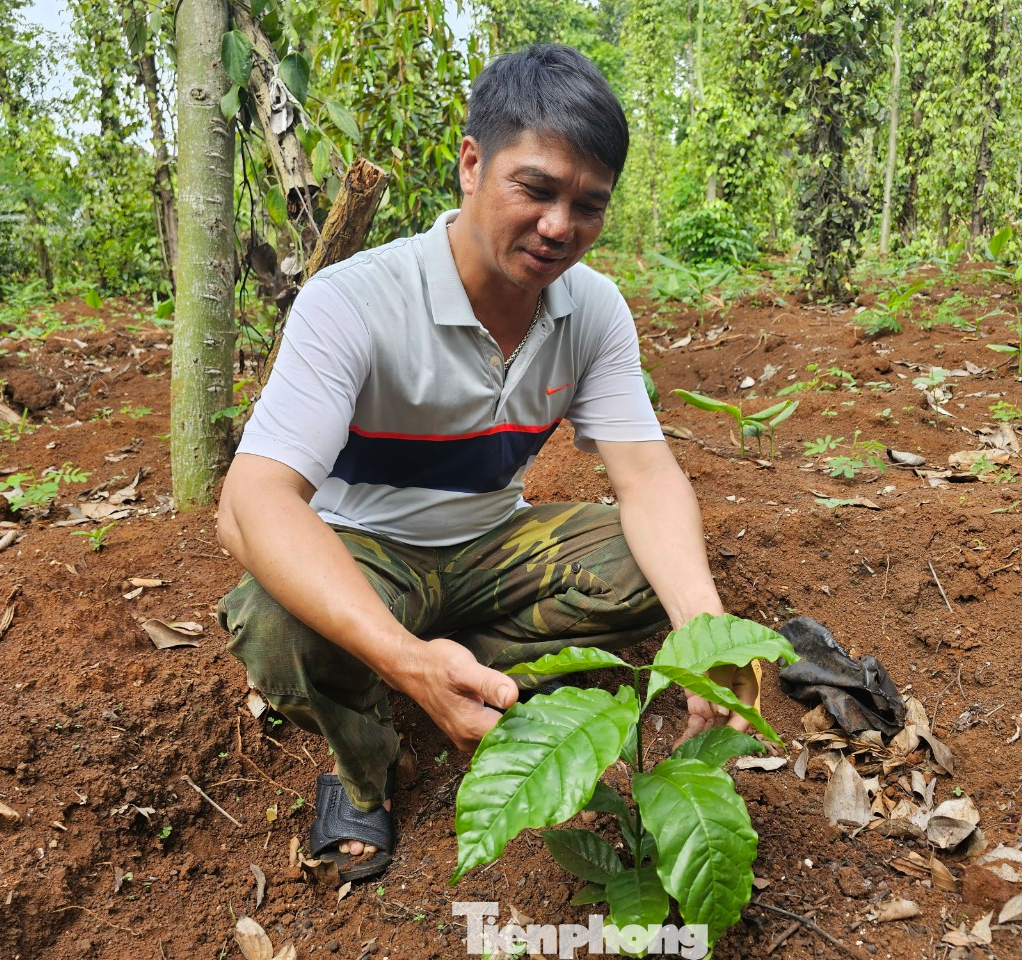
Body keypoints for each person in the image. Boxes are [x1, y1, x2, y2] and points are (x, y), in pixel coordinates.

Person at [215, 43, 756, 883]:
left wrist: (704, 632)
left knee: (656, 572)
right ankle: (367, 766)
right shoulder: (355, 303)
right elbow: (252, 501)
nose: (559, 227)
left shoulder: (592, 309)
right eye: (535, 189)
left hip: (491, 543)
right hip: (366, 548)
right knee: (280, 625)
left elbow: (646, 477)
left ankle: (467, 657)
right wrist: (405, 662)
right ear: (472, 164)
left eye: (588, 205)